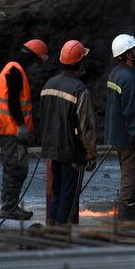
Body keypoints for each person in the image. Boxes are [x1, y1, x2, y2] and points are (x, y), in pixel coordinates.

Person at [40, 40, 96, 226]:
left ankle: (51, 226)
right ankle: (63, 231)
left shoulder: (49, 84)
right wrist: (91, 153)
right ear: (78, 63)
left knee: (56, 189)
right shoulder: (80, 90)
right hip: (72, 150)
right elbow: (86, 126)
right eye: (83, 60)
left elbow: (45, 117)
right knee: (68, 193)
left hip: (51, 149)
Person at [0, 39, 48, 220]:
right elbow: (13, 101)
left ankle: (10, 204)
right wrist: (21, 124)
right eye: (37, 61)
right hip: (10, 129)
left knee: (16, 167)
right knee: (15, 167)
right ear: (33, 56)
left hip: (10, 128)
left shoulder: (14, 69)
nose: (35, 65)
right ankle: (9, 207)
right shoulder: (14, 71)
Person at [105, 34, 135, 221]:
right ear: (126, 55)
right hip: (130, 139)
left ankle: (134, 213)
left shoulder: (116, 74)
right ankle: (128, 219)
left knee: (131, 175)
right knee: (132, 178)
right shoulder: (129, 78)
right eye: (134, 50)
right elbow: (131, 111)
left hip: (120, 136)